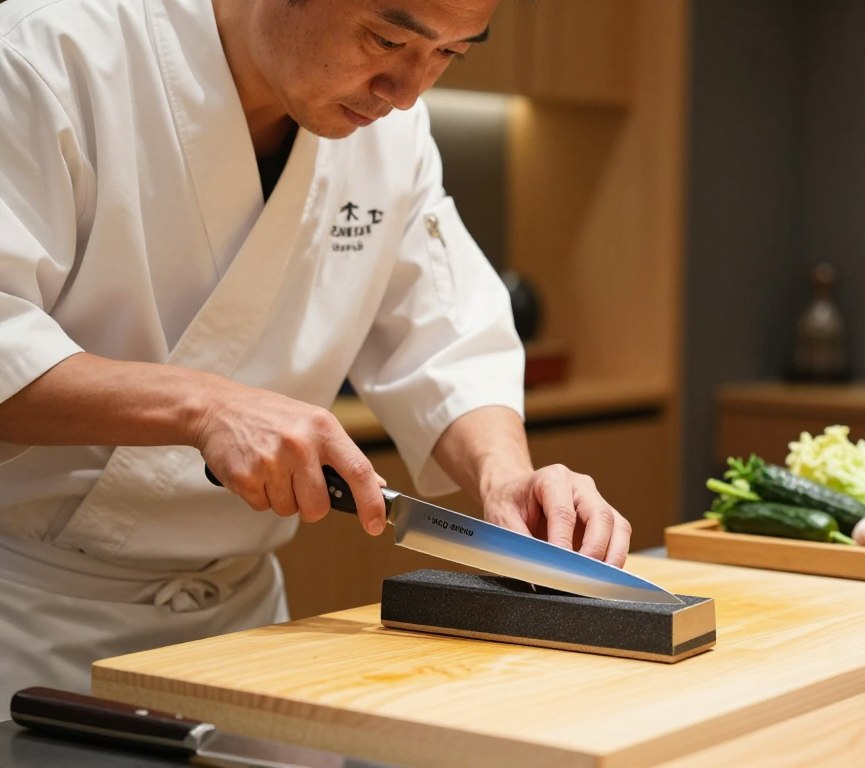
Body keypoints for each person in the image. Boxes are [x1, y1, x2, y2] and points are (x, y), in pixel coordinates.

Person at [0, 0, 632, 716]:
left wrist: (505, 476)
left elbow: (443, 335)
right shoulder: (46, 53)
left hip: (239, 631)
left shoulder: (389, 132)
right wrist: (204, 407)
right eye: (388, 38)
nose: (408, 90)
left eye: (451, 55)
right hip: (28, 626)